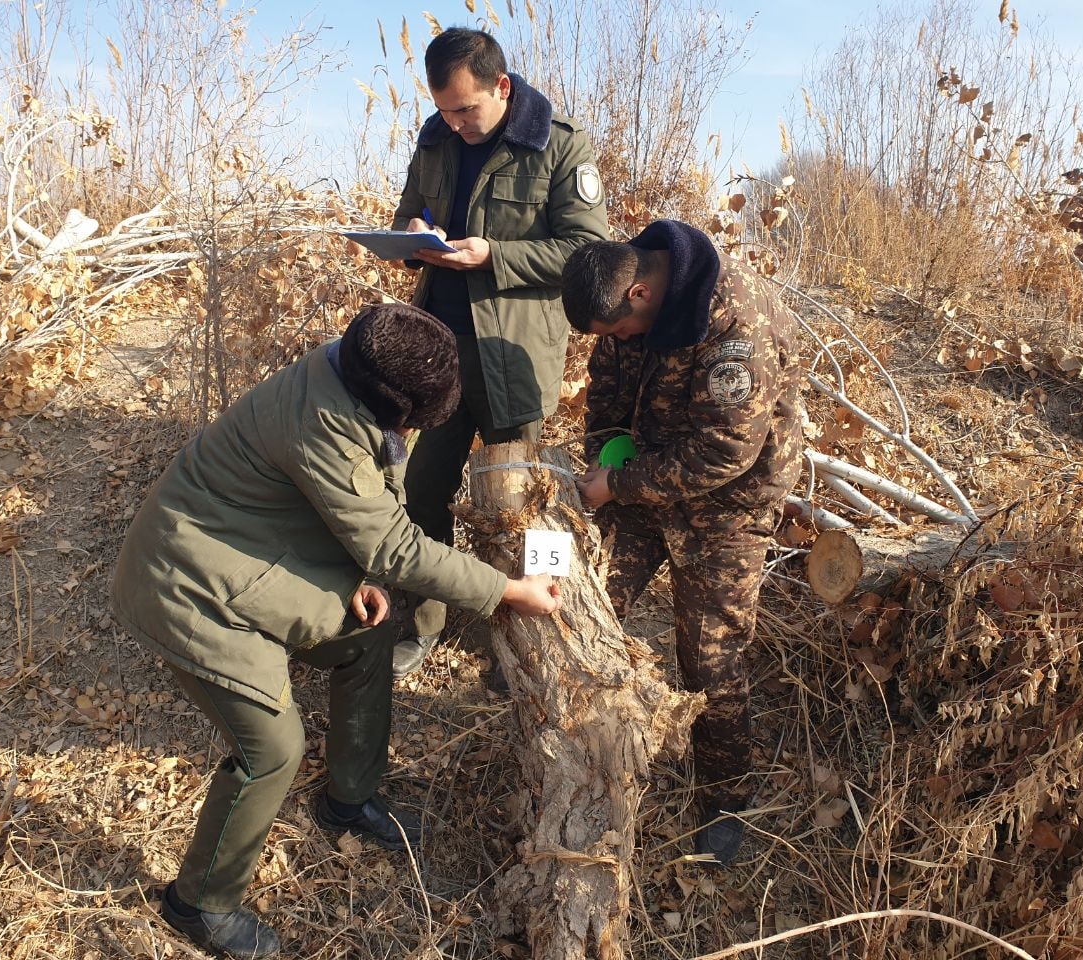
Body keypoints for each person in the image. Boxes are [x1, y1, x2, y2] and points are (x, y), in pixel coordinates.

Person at [110, 304, 561, 959]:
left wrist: (354, 573)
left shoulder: (349, 369)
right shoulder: (322, 418)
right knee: (272, 748)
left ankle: (348, 799)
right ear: (388, 401)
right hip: (186, 578)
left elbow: (353, 507)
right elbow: (397, 547)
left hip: (252, 550)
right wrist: (507, 591)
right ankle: (200, 903)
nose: (411, 432)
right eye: (412, 422)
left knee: (367, 636)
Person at [561, 220, 804, 867]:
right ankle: (577, 755)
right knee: (586, 600)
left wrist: (619, 483)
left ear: (640, 295)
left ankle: (724, 804)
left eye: (615, 331)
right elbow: (607, 403)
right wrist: (605, 459)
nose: (613, 344)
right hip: (643, 483)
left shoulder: (734, 322)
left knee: (708, 659)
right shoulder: (619, 301)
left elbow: (726, 451)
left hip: (727, 507)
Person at [389, 26, 610, 678]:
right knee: (421, 492)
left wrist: (495, 255)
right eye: (444, 109)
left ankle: (533, 635)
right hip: (436, 353)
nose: (454, 123)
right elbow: (407, 211)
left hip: (513, 356)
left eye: (467, 109)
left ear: (502, 87)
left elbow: (585, 251)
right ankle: (424, 622)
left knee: (527, 507)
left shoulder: (558, 146)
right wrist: (414, 233)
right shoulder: (435, 138)